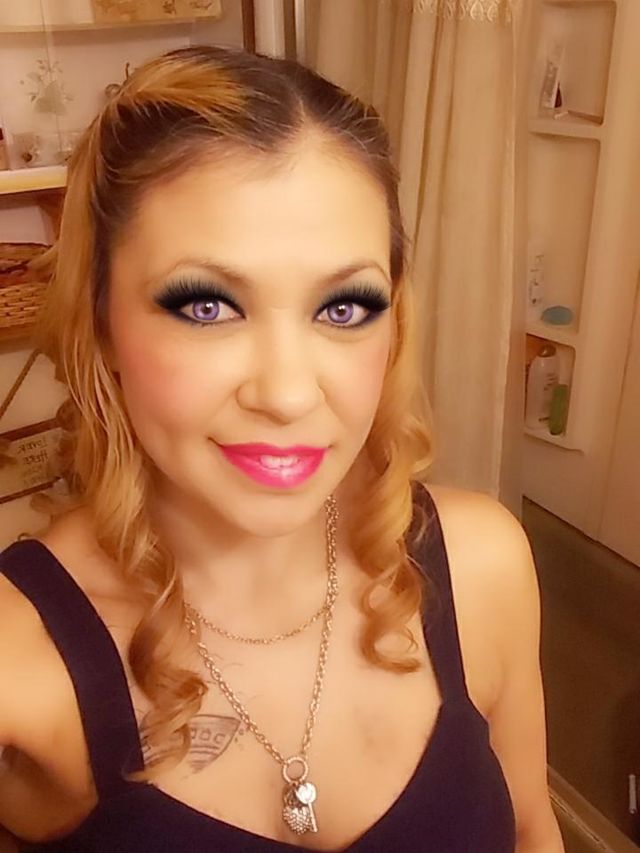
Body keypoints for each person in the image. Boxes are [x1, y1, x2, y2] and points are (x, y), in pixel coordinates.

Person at [0, 45, 564, 852]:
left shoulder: (481, 568)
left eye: (343, 308)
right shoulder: (18, 662)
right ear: (103, 324)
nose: (290, 394)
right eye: (207, 306)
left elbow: (533, 826)